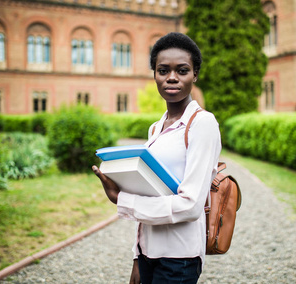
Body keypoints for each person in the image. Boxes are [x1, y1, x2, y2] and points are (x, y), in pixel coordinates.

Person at [92, 32, 221, 284]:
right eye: (163, 70)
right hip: (148, 253)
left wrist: (122, 199)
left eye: (182, 70)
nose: (171, 77)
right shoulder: (155, 128)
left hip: (179, 258)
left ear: (195, 75)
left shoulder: (202, 124)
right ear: (154, 75)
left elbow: (191, 205)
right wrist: (137, 257)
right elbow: (149, 194)